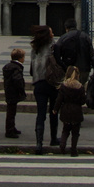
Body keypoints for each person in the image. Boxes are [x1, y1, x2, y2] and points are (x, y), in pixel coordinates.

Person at [29, 24, 60, 153]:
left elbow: (31, 68)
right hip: (52, 83)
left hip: (38, 82)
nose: (53, 34)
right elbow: (58, 62)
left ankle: (39, 143)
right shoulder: (54, 46)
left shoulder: (34, 48)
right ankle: (53, 138)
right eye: (51, 32)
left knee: (40, 113)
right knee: (54, 111)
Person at [54, 18, 94, 88]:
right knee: (81, 88)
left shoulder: (63, 38)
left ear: (66, 28)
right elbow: (92, 54)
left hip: (69, 69)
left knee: (69, 88)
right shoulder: (85, 36)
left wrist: (64, 67)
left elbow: (56, 56)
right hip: (84, 68)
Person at [54, 65, 87, 157]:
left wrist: (55, 109)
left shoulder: (64, 86)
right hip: (76, 111)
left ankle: (62, 144)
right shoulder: (80, 87)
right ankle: (73, 150)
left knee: (65, 130)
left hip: (66, 110)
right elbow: (83, 101)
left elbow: (59, 99)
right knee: (75, 133)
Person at [2, 48, 26, 137]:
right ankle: (9, 130)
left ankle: (12, 127)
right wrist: (21, 90)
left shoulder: (9, 66)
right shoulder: (17, 68)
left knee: (11, 111)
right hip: (14, 92)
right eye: (23, 57)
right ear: (20, 59)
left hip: (9, 90)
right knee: (11, 112)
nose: (24, 59)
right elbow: (17, 79)